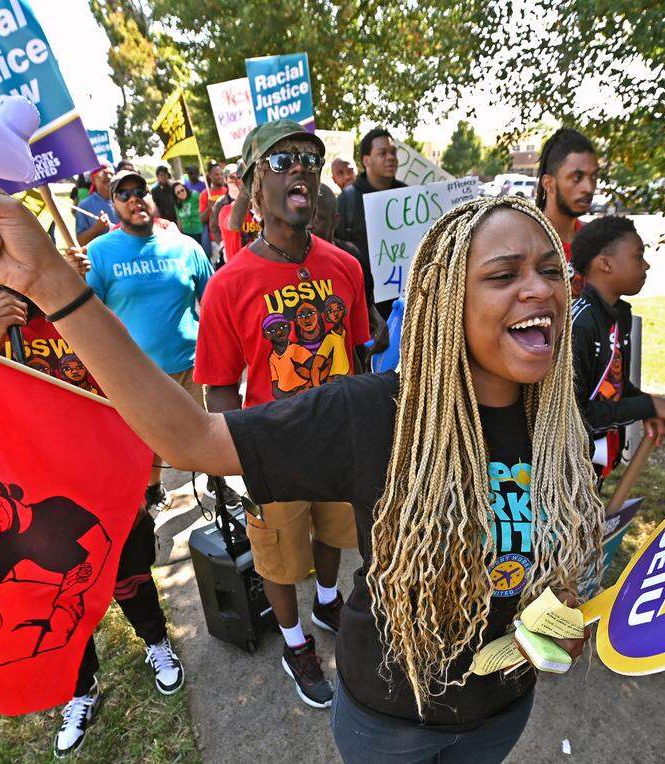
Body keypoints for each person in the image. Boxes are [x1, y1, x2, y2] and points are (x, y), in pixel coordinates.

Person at [0, 140, 599, 761]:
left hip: (501, 712)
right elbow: (191, 437)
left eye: (548, 270)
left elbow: (539, 544)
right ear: (449, 298)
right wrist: (50, 284)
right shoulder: (374, 411)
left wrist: (554, 612)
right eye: (504, 274)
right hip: (395, 723)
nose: (538, 288)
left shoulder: (558, 421)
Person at [0, 278, 185, 758]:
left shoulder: (78, 312)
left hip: (108, 488)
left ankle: (156, 642)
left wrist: (145, 476)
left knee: (130, 578)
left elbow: (132, 392)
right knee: (58, 603)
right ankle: (80, 688)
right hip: (34, 507)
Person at [193, 121, 370, 708]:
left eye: (309, 159)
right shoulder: (228, 285)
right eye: (282, 160)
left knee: (335, 536)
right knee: (277, 553)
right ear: (251, 187)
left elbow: (362, 353)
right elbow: (219, 388)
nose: (301, 166)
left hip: (341, 441)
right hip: (274, 449)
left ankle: (326, 601)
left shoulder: (344, 267)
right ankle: (295, 642)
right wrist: (238, 466)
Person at [81, 167, 215, 512]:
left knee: (208, 433)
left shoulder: (184, 246)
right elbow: (87, 312)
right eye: (123, 194)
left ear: (151, 196)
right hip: (137, 375)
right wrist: (73, 277)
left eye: (139, 190)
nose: (133, 198)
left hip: (192, 365)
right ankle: (152, 489)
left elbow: (213, 302)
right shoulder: (99, 252)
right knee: (147, 444)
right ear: (113, 206)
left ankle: (216, 481)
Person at [569, 216, 665, 477]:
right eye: (637, 256)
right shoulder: (580, 326)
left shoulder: (617, 315)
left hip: (595, 461)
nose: (646, 265)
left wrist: (644, 403)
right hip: (567, 467)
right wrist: (648, 405)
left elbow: (613, 385)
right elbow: (576, 414)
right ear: (605, 264)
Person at [312, 183, 388, 364]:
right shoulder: (295, 264)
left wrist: (379, 326)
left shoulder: (351, 256)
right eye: (306, 216)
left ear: (335, 220)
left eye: (318, 218)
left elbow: (368, 305)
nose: (310, 225)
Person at [336, 127, 407, 317]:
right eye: (382, 153)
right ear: (366, 160)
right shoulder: (347, 201)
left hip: (406, 306)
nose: (391, 157)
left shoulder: (409, 196)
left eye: (393, 152)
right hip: (365, 311)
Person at [535, 128, 599, 290]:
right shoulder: (526, 240)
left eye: (593, 177)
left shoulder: (596, 241)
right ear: (548, 184)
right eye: (577, 178)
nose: (589, 187)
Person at [219, 162, 261, 262]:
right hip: (239, 268)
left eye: (240, 177)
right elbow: (234, 224)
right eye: (232, 177)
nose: (237, 181)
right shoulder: (225, 209)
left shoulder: (262, 207)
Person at [76, 165, 118, 246]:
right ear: (93, 179)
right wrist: (97, 228)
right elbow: (81, 242)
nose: (109, 176)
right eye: (104, 173)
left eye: (111, 174)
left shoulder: (125, 199)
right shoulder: (85, 206)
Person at [199, 161, 227, 260]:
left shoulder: (228, 191)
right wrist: (209, 208)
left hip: (229, 235)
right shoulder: (205, 194)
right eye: (216, 174)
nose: (219, 177)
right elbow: (202, 219)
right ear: (210, 176)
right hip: (215, 240)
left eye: (221, 174)